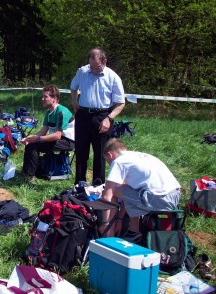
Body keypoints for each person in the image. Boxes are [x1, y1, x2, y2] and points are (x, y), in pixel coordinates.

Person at [100, 138, 181, 243]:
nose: (109, 165)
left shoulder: (118, 161)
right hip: (175, 195)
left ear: (110, 155)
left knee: (113, 191)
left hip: (159, 198)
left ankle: (109, 234)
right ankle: (134, 232)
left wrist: (106, 224)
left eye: (108, 162)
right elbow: (128, 194)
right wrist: (119, 219)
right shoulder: (138, 156)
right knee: (131, 190)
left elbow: (108, 195)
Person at [70, 47, 125, 186]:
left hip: (103, 116)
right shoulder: (82, 71)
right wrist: (75, 102)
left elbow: (121, 103)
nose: (94, 70)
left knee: (100, 154)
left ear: (104, 61)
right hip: (83, 115)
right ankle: (79, 184)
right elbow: (73, 87)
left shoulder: (113, 77)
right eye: (92, 67)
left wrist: (109, 118)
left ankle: (98, 186)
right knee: (81, 151)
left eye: (97, 67)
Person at [22, 85, 75, 178]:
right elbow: (43, 130)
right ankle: (26, 173)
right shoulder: (48, 112)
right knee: (30, 144)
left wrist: (38, 139)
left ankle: (30, 176)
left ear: (54, 98)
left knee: (35, 145)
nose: (42, 99)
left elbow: (58, 135)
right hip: (58, 138)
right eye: (42, 96)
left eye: (45, 97)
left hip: (68, 141)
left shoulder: (62, 112)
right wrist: (29, 138)